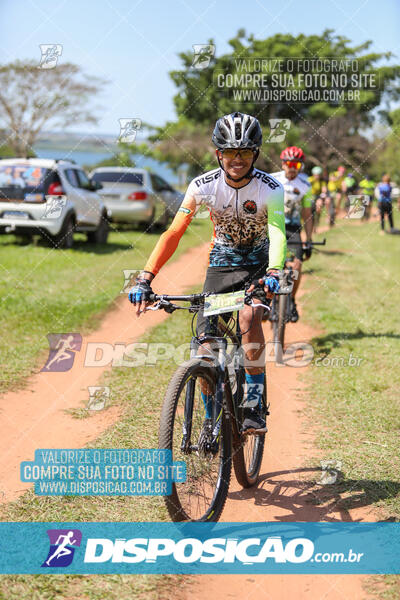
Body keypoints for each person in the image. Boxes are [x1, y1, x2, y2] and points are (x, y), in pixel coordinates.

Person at [128, 112, 286, 434]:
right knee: (205, 344)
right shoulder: (202, 186)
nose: (237, 159)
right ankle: (213, 420)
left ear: (255, 153)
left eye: (244, 152)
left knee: (247, 318)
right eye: (230, 152)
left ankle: (254, 402)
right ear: (219, 154)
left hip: (258, 265)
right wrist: (146, 276)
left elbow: (278, 231)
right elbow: (173, 232)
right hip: (222, 265)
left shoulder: (271, 188)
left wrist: (273, 271)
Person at [271, 146, 313, 323]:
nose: (292, 167)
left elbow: (307, 212)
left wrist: (309, 239)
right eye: (289, 163)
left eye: (296, 164)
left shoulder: (305, 185)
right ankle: (272, 301)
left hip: (293, 228)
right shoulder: (272, 180)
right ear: (282, 164)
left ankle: (292, 300)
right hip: (272, 226)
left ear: (301, 166)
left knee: (296, 266)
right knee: (270, 263)